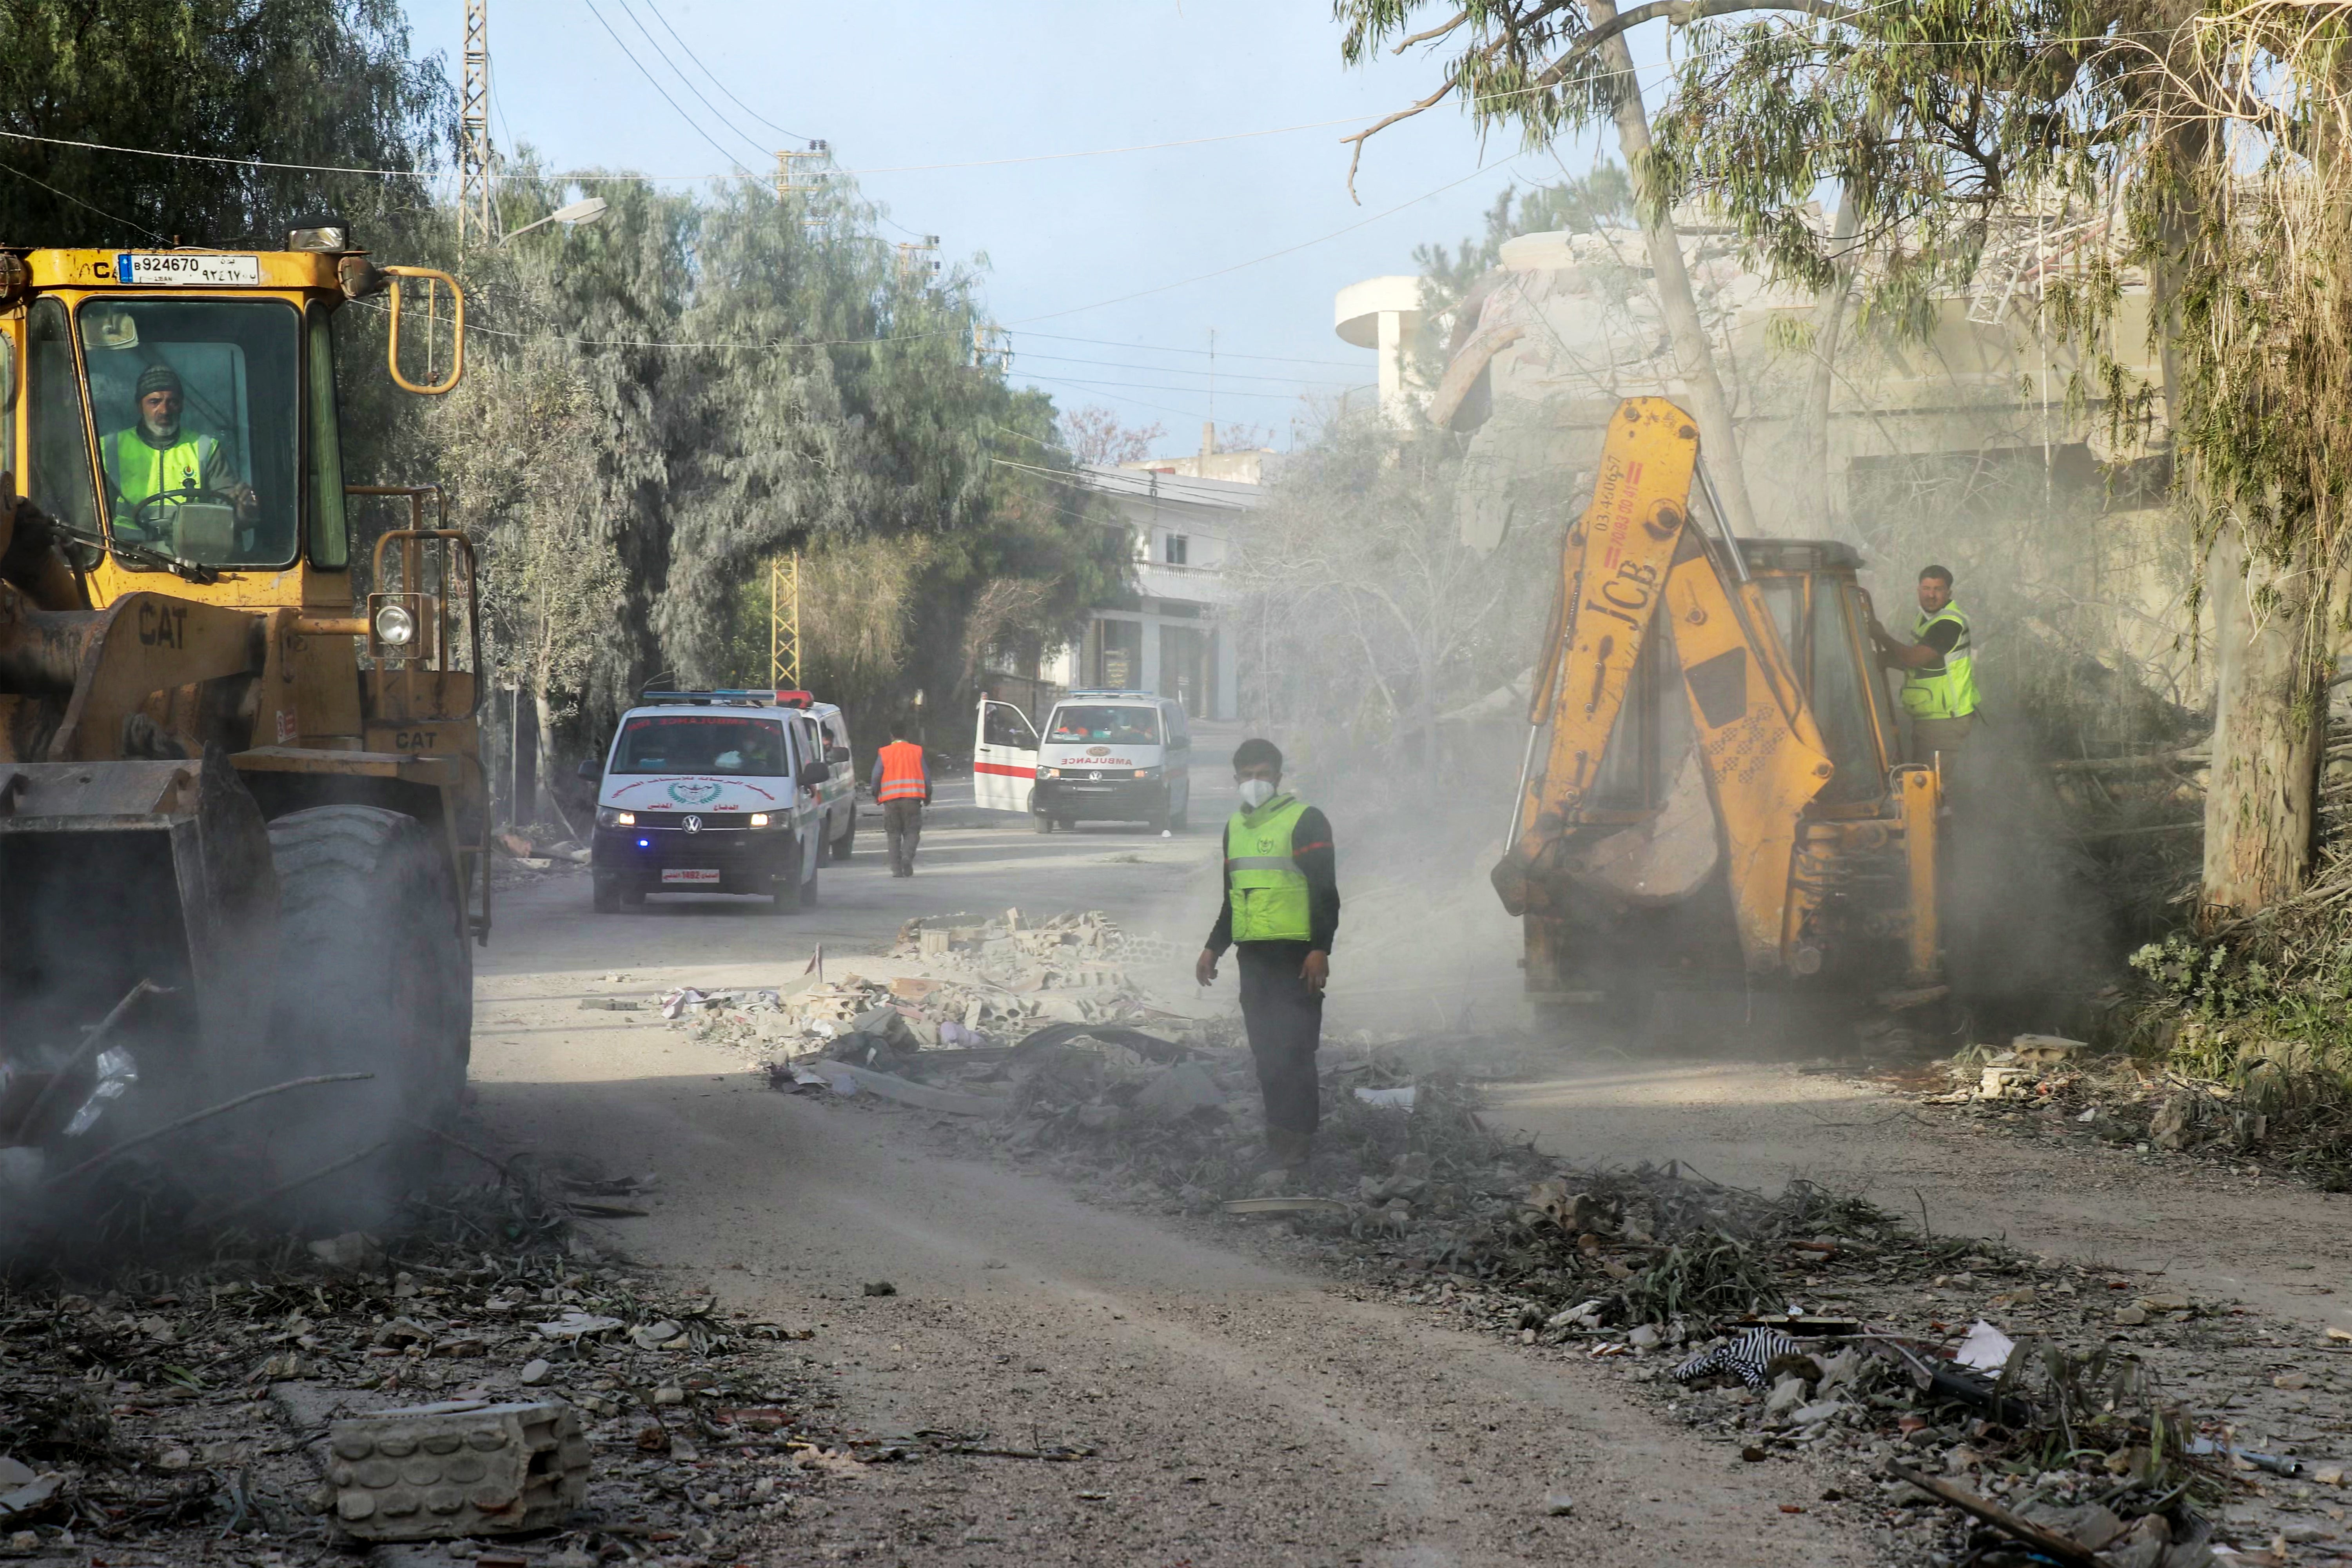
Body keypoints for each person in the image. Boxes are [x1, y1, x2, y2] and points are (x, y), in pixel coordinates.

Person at [1194, 739, 1340, 1170]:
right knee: (1266, 1054)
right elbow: (1232, 899)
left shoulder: (1306, 821)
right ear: (1235, 778)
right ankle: (1279, 1138)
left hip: (1297, 959)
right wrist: (1212, 948)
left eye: (1263, 775)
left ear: (1278, 777)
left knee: (1295, 1051)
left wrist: (1320, 949)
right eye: (1247, 776)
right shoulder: (1234, 828)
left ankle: (1300, 1143)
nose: (1255, 783)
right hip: (1253, 960)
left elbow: (1326, 892)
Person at [103, 364, 254, 540]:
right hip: (127, 555)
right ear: (139, 407)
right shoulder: (109, 448)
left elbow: (229, 508)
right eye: (154, 402)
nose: (165, 411)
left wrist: (242, 511)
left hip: (191, 551)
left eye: (172, 402)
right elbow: (89, 514)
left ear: (182, 406)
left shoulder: (205, 448)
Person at [1871, 563, 1977, 764]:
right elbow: (1926, 665)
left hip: (1946, 719)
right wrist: (1884, 659)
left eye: (1938, 589)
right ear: (1919, 590)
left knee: (1931, 785)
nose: (1931, 595)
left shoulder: (1948, 624)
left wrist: (1883, 637)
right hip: (1934, 716)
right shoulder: (1926, 619)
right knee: (1922, 778)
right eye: (1927, 589)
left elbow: (1914, 658)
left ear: (1949, 593)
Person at [869, 722, 931, 877]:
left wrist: (875, 794)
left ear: (891, 735)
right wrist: (928, 796)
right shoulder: (916, 751)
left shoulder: (885, 752)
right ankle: (907, 857)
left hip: (891, 801)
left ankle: (897, 870)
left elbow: (876, 776)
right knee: (912, 832)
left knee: (893, 834)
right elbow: (926, 777)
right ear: (906, 734)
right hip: (912, 800)